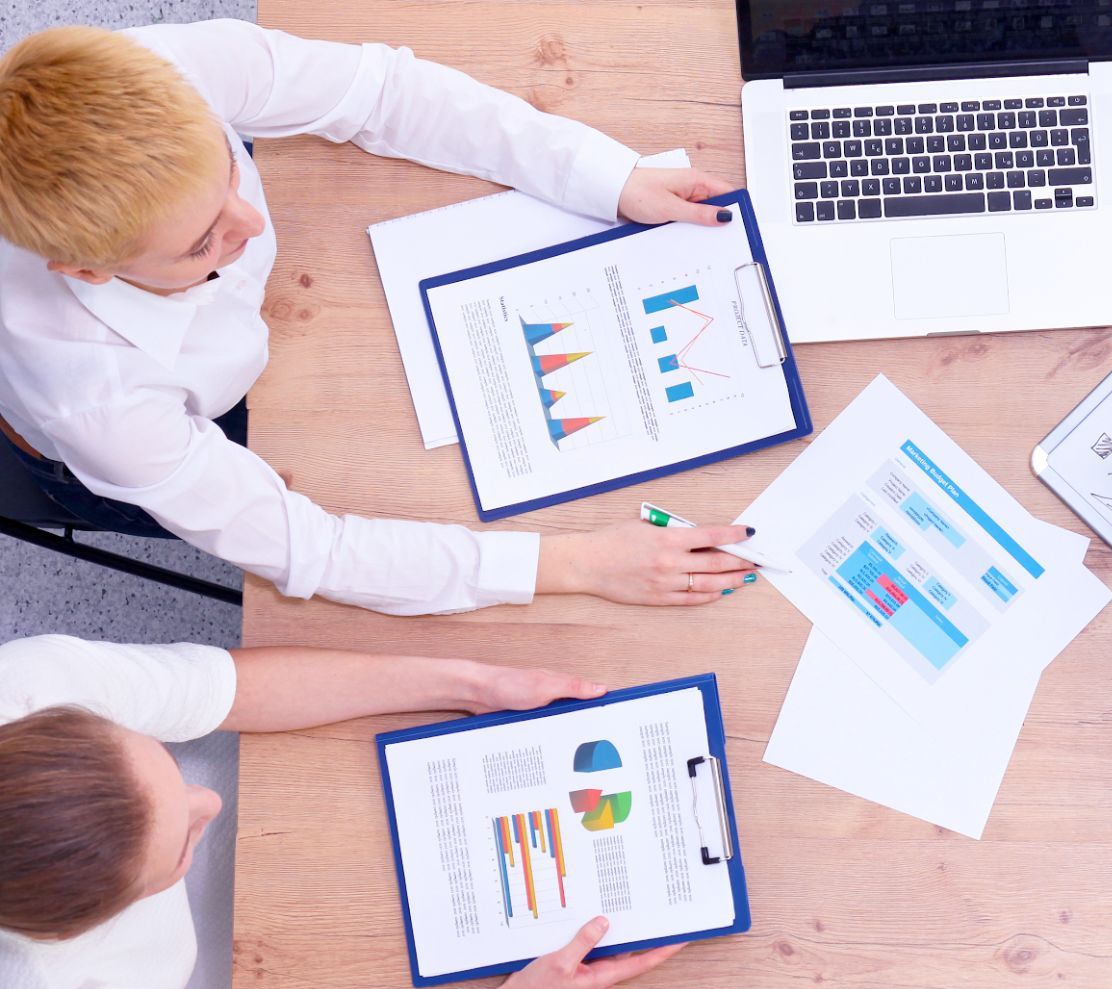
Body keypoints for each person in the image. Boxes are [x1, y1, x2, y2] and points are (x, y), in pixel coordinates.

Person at [0, 21, 755, 616]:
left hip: (273, 338)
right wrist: (573, 565)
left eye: (229, 170)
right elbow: (314, 550)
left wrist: (604, 176)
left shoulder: (163, 73)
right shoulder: (104, 407)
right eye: (204, 241)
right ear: (89, 272)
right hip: (123, 449)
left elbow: (383, 93)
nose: (252, 224)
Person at [0, 634, 682, 989]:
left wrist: (475, 684)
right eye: (179, 845)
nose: (208, 801)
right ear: (88, 925)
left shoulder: (32, 687)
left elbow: (227, 690)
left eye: (170, 773)